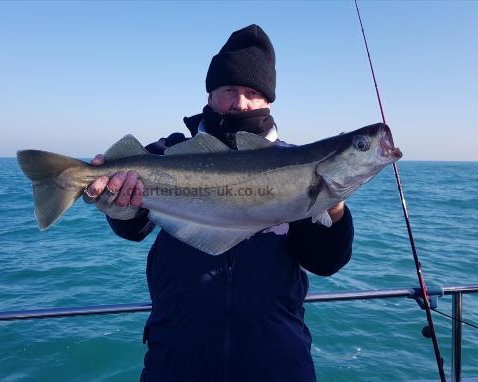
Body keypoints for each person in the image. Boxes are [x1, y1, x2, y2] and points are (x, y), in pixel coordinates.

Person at [83, 24, 353, 382]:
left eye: (252, 92)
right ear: (211, 95)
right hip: (177, 357)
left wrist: (332, 207)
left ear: (268, 100)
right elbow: (135, 227)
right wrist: (119, 208)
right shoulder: (165, 155)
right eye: (229, 90)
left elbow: (324, 262)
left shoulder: (298, 165)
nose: (240, 102)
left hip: (277, 360)